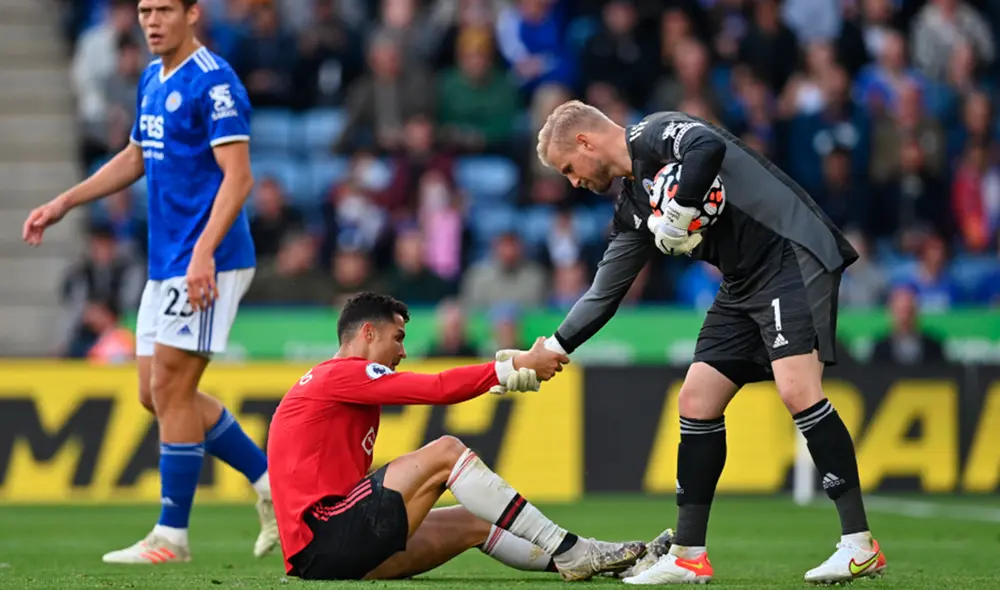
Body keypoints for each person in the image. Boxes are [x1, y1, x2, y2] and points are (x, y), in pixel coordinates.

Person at [533, 101, 885, 585]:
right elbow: (604, 294)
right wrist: (552, 348)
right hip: (743, 282)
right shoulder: (634, 206)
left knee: (798, 389)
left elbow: (707, 146)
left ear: (585, 142)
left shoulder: (654, 133)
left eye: (569, 169)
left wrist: (677, 209)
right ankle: (688, 555)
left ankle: (859, 545)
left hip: (790, 251)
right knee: (697, 399)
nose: (572, 182)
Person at [23, 0, 276, 564]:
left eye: (164, 9)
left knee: (173, 389)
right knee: (154, 394)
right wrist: (65, 201)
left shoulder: (215, 83)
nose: (151, 20)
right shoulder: (150, 78)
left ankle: (172, 537)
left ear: (192, 12)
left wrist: (205, 253)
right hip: (169, 259)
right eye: (144, 10)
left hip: (209, 258)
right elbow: (137, 156)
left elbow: (239, 178)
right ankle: (269, 484)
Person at [267, 292, 646, 581]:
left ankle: (611, 564)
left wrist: (503, 372)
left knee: (475, 520)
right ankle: (571, 549)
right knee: (447, 451)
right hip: (326, 541)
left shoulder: (333, 384)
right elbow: (437, 388)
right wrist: (511, 366)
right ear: (368, 332)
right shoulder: (341, 373)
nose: (402, 351)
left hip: (331, 552)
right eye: (397, 338)